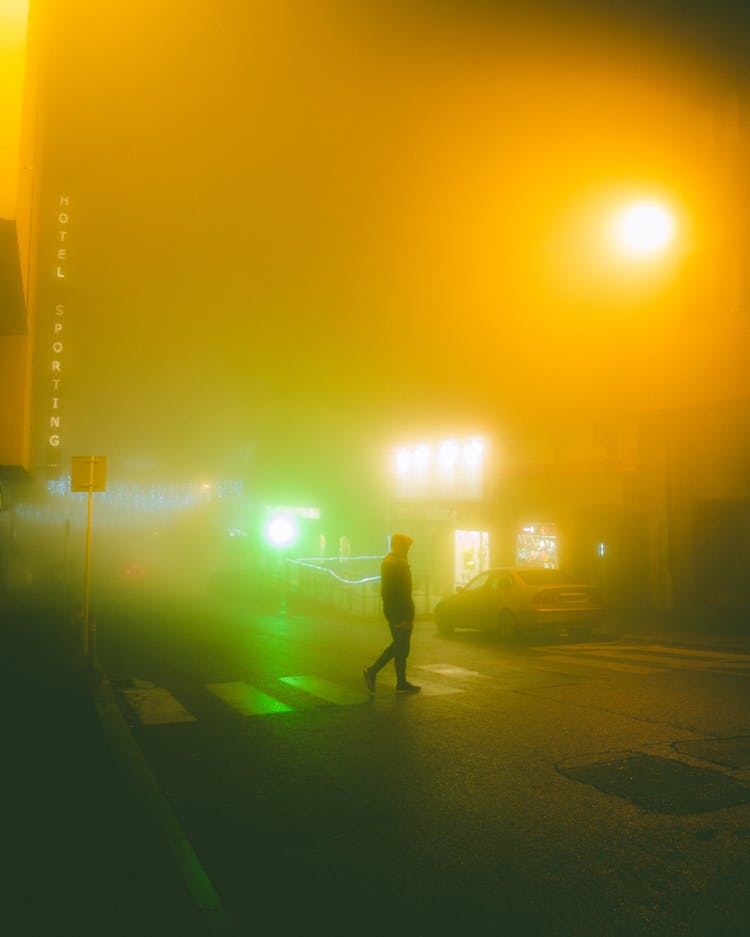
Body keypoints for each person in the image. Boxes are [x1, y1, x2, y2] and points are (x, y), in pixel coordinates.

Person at [363, 533, 420, 694]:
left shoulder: (396, 561)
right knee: (399, 646)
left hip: (402, 611)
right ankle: (372, 671)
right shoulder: (393, 563)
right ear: (399, 546)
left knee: (402, 647)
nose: (409, 549)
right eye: (407, 546)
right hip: (399, 612)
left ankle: (400, 681)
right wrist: (399, 616)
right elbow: (391, 592)